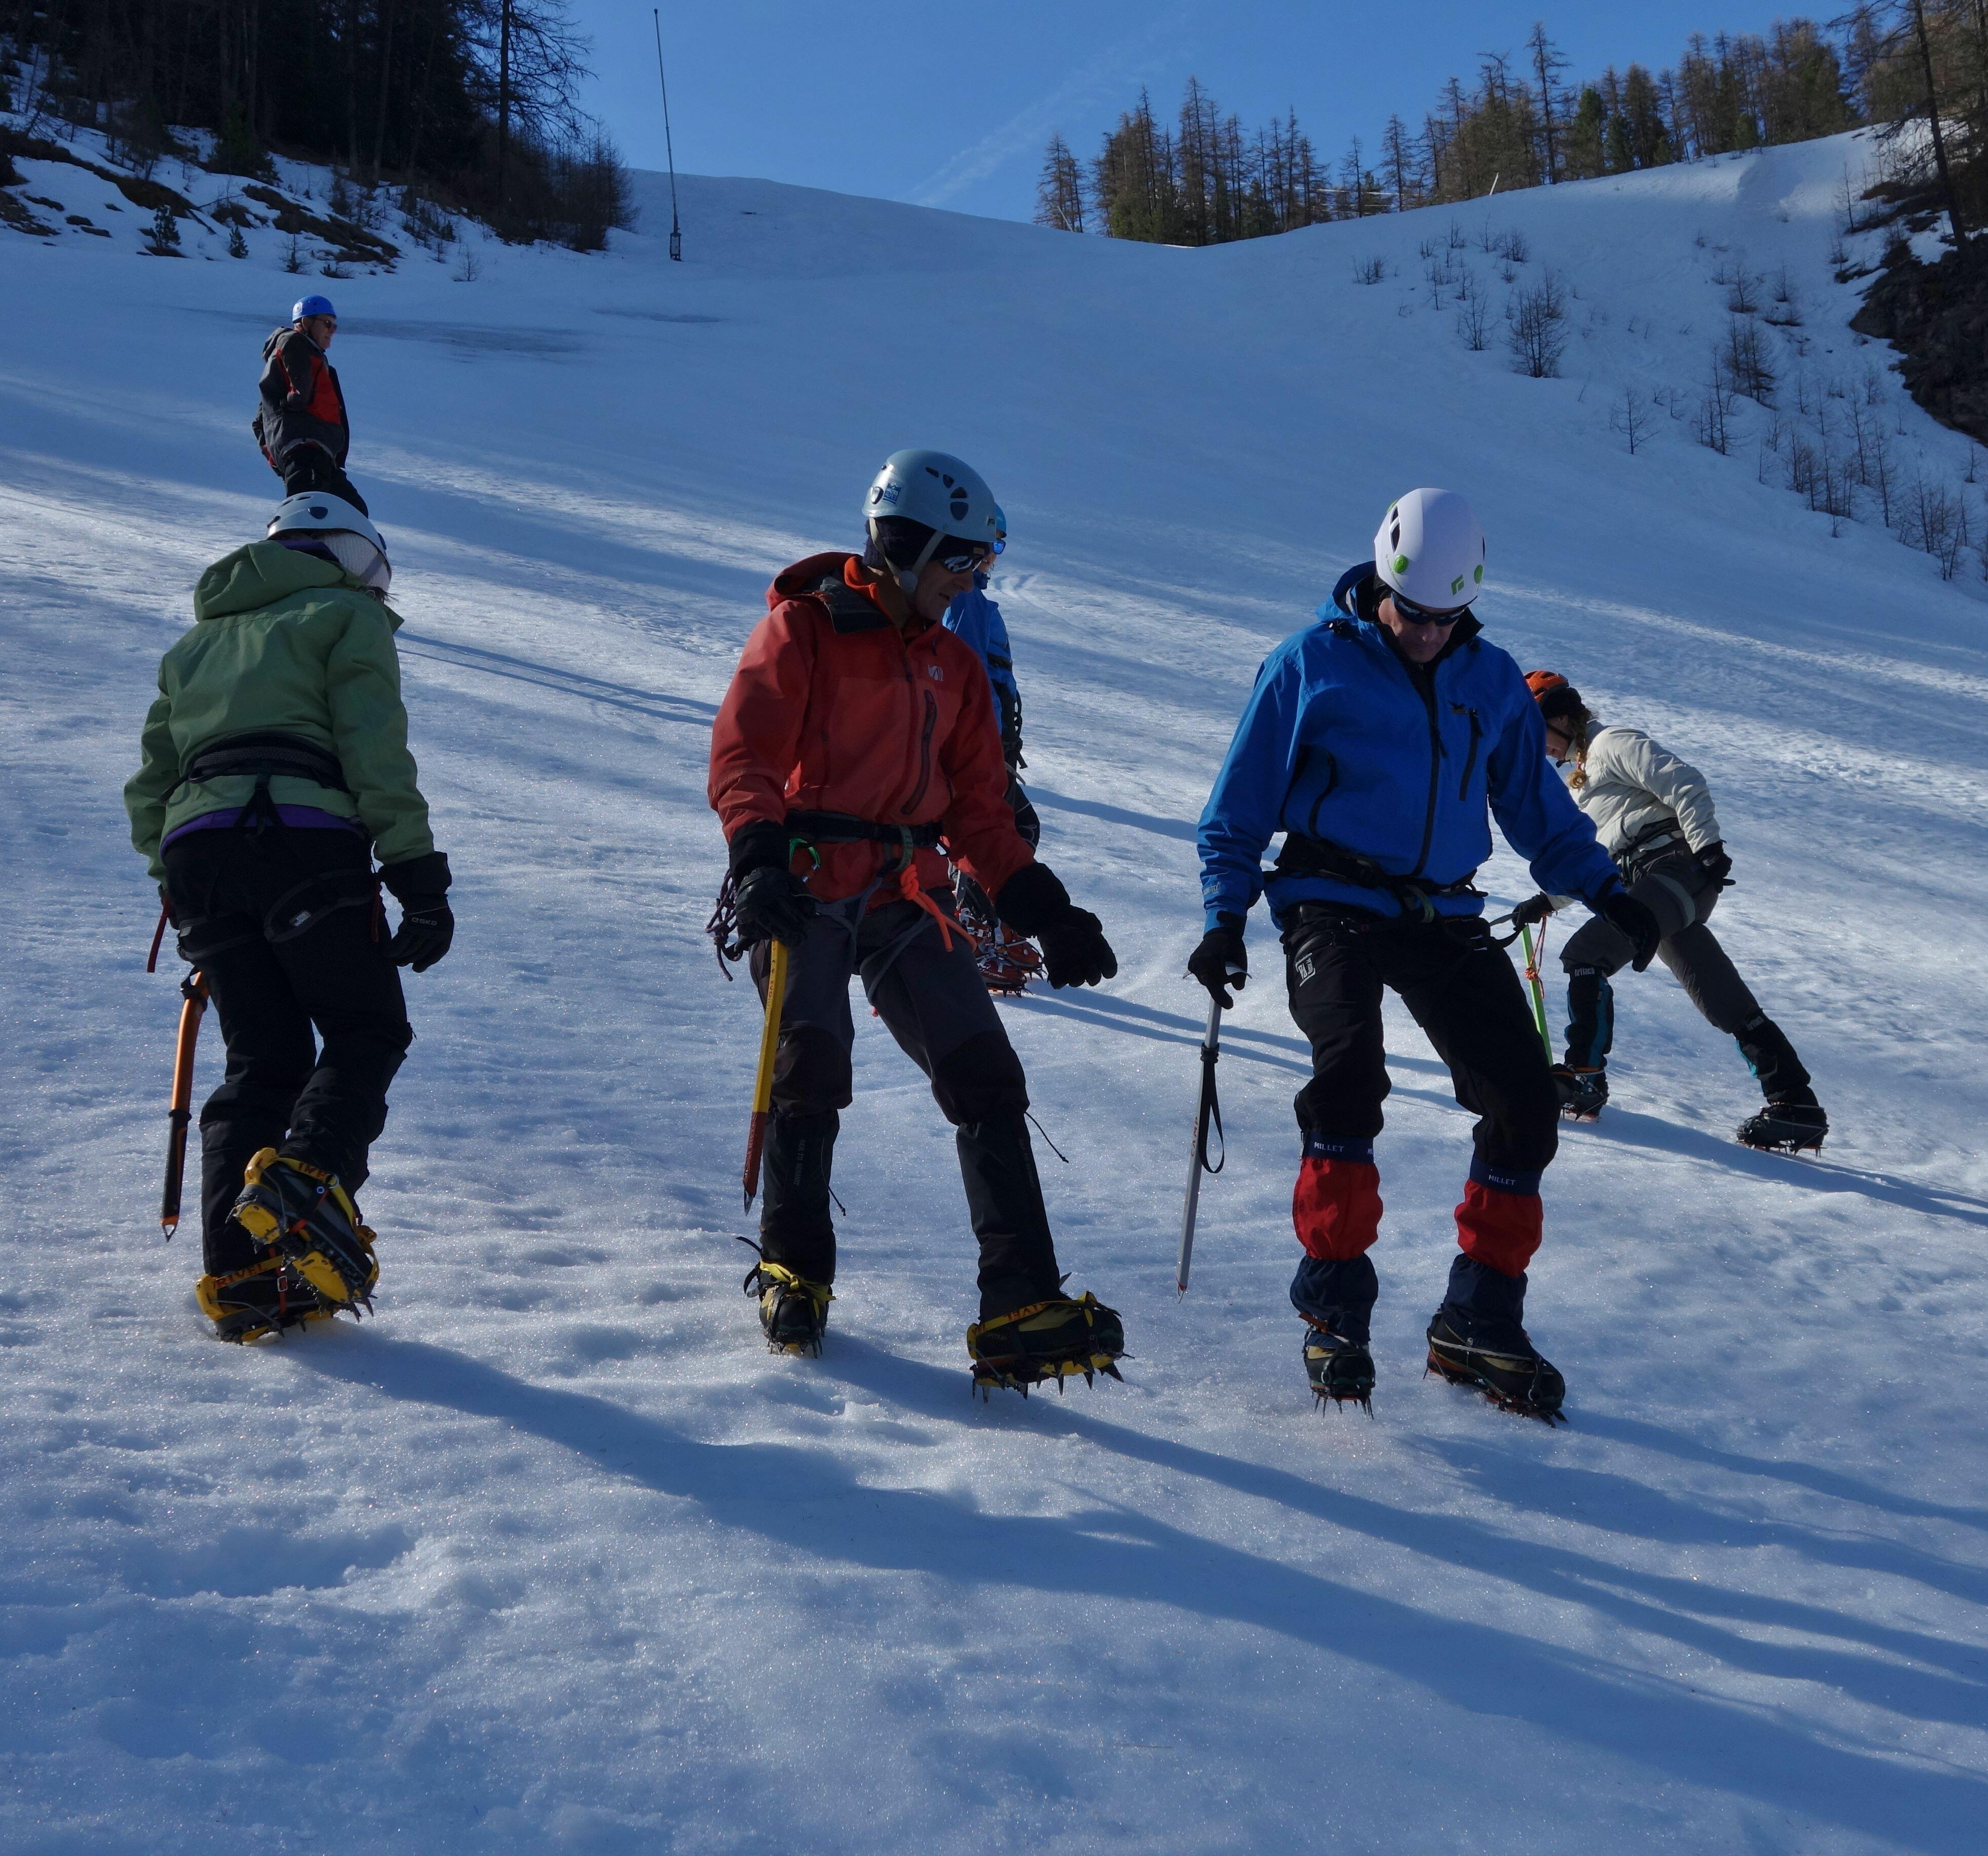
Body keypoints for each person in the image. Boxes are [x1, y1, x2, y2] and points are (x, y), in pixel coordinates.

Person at [1192, 488, 1659, 1420]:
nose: (1427, 634)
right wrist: (1223, 918)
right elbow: (1237, 807)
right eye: (1411, 613)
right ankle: (1334, 1308)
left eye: (1447, 618)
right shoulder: (1310, 663)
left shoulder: (1490, 679)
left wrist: (1608, 889)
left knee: (1524, 1099)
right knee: (1348, 1074)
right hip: (1330, 899)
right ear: (1383, 584)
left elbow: (1536, 808)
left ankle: (1478, 1318)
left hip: (1443, 911)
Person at [706, 449, 1126, 1393]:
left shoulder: (952, 665)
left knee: (986, 1073)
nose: (971, 582)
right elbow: (745, 755)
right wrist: (757, 857)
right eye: (964, 561)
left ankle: (1019, 1302)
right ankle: (794, 1274)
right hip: (805, 885)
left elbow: (980, 815)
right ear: (910, 546)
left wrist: (1047, 910)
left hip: (907, 892)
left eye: (981, 566)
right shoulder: (804, 630)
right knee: (809, 1063)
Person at [125, 493, 453, 1341]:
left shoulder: (195, 644)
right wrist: (417, 873)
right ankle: (305, 1186)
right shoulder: (346, 616)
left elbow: (150, 784)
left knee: (263, 1060)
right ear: (349, 556)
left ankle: (241, 1275)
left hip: (198, 859)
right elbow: (372, 743)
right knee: (366, 1027)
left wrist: (179, 885)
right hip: (300, 838)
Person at [1505, 674, 1826, 1151]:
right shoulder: (1580, 783)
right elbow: (1598, 857)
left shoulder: (1612, 743)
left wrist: (1709, 848)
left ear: (1563, 718)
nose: (1540, 748)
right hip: (1647, 886)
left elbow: (1684, 781)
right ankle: (1797, 1105)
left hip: (1675, 869)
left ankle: (1584, 1078)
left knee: (1587, 954)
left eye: (1539, 733)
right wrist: (1547, 902)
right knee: (1721, 998)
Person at [940, 507, 1047, 993]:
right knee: (1012, 827)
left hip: (990, 744)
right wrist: (980, 744)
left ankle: (988, 926)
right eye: (987, 545)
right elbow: (967, 675)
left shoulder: (976, 602)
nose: (992, 556)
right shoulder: (965, 603)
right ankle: (975, 930)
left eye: (998, 547)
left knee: (1012, 827)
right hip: (975, 747)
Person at [252, 295, 365, 515]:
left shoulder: (311, 356)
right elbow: (299, 393)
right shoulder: (294, 342)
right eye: (327, 323)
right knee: (307, 511)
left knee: (354, 510)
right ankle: (291, 536)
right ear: (305, 322)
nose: (332, 330)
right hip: (306, 448)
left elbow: (260, 420)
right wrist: (293, 406)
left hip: (320, 453)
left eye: (335, 326)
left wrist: (275, 456)